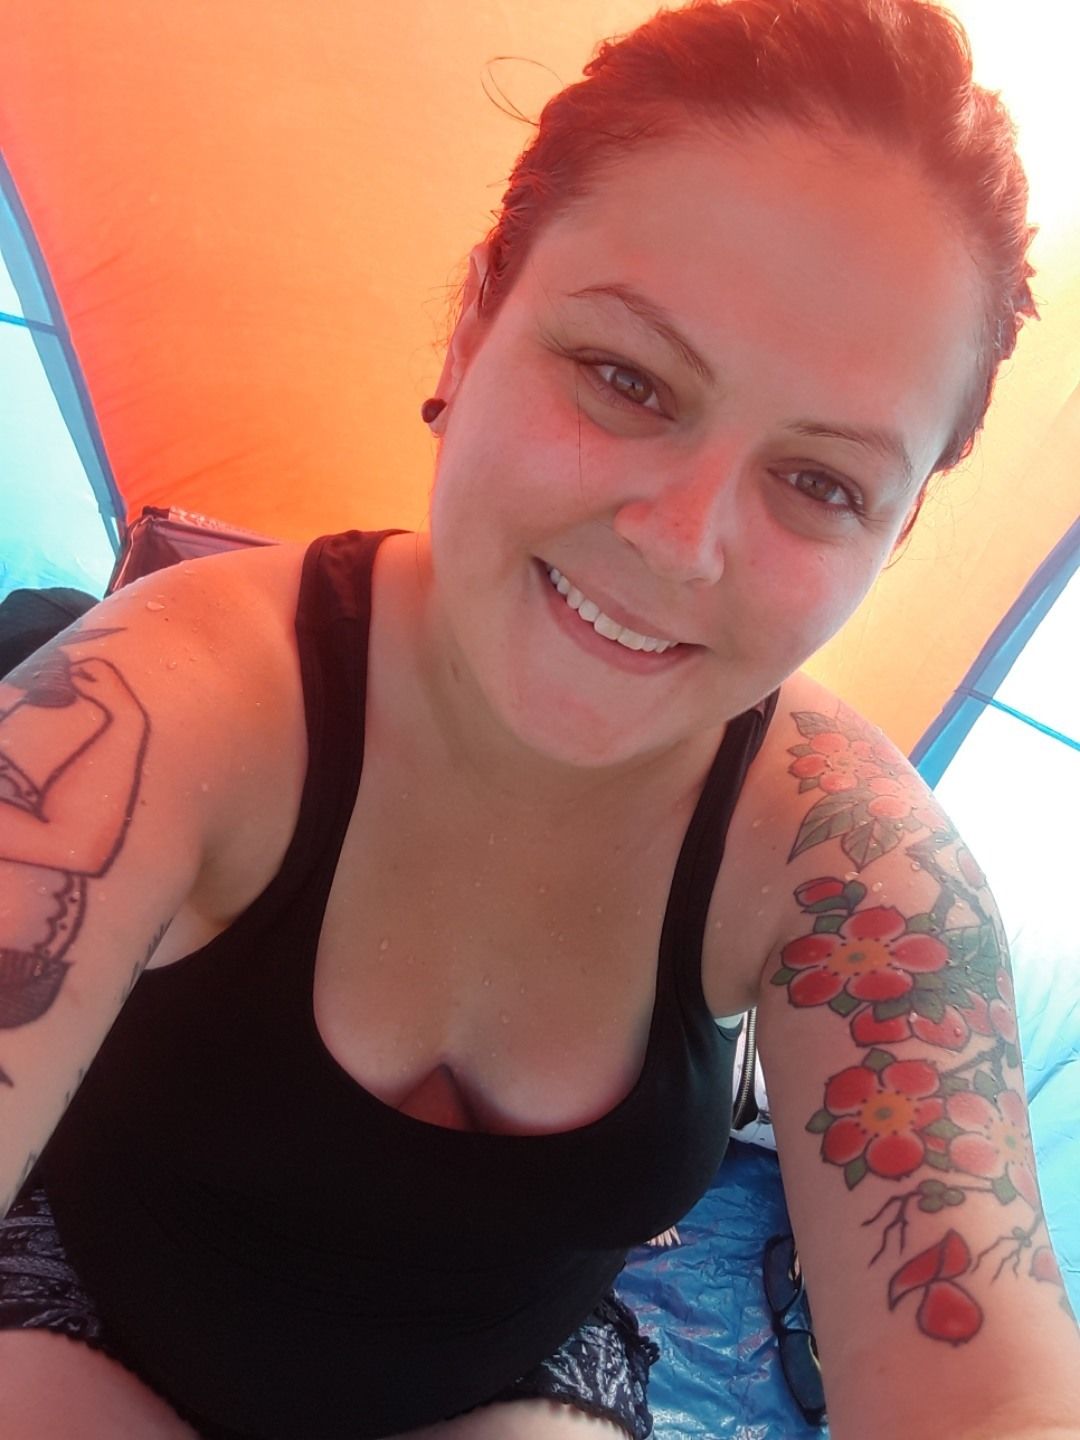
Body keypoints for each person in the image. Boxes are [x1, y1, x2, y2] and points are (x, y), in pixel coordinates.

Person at [1, 0, 1078, 1435]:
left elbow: (985, 1384)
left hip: (517, 1373)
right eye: (627, 379)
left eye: (821, 484)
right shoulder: (163, 708)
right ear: (478, 317)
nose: (682, 543)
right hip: (86, 1304)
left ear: (897, 532)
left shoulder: (848, 868)